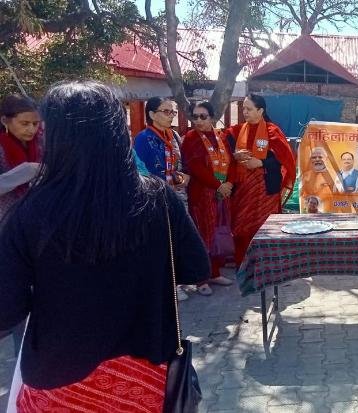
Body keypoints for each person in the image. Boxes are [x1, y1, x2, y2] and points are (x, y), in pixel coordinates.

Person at [0, 81, 209, 412]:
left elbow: (6, 310)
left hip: (58, 385)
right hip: (146, 383)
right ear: (117, 130)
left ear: (55, 137)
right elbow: (197, 268)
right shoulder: (158, 199)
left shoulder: (30, 212)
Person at [226, 94, 296, 268]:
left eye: (249, 109)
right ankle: (243, 263)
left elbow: (284, 159)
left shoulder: (273, 131)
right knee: (242, 226)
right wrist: (234, 156)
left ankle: (266, 263)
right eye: (243, 108)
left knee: (265, 227)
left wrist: (261, 162)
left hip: (266, 190)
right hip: (242, 190)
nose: (245, 112)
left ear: (261, 111)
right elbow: (223, 152)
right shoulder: (235, 131)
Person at [133, 96, 192, 300]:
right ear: (151, 114)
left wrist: (185, 175)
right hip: (156, 198)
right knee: (162, 240)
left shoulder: (174, 135)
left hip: (178, 195)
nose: (171, 116)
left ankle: (178, 280)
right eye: (166, 112)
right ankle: (167, 286)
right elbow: (141, 172)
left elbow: (181, 163)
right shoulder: (143, 139)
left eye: (173, 112)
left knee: (177, 237)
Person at [0, 94, 41, 358]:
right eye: (24, 123)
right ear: (5, 120)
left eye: (35, 124)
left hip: (36, 231)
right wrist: (24, 172)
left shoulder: (42, 144)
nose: (31, 129)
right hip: (5, 232)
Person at [181, 101, 235, 296]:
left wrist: (228, 184)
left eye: (202, 116)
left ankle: (215, 272)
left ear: (212, 117)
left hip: (222, 194)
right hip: (202, 194)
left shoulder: (222, 136)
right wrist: (218, 185)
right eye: (194, 117)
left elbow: (232, 162)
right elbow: (195, 167)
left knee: (219, 232)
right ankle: (201, 278)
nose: (198, 121)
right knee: (203, 234)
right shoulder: (190, 138)